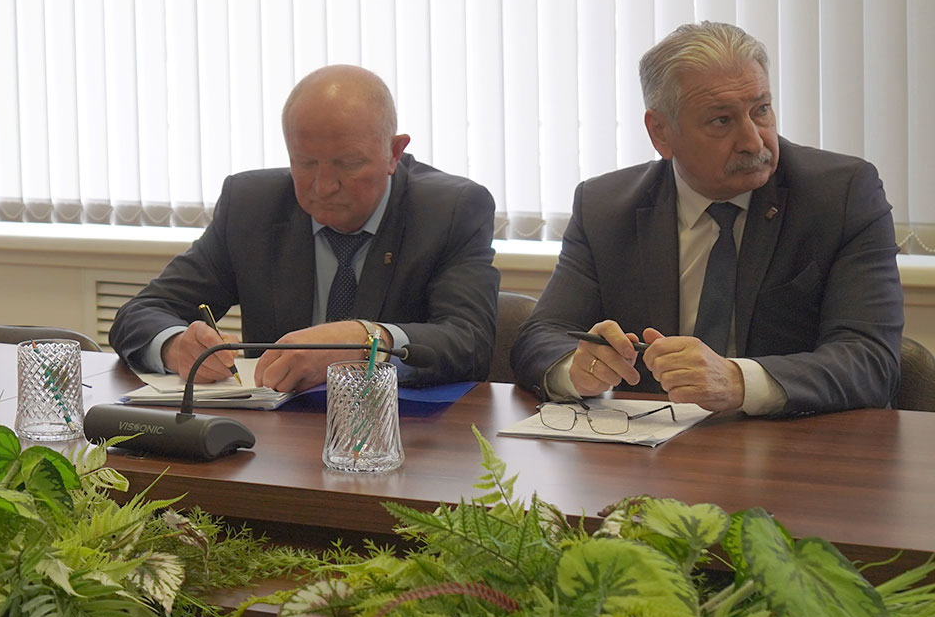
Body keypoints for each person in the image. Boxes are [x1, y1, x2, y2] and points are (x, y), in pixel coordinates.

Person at [510, 21, 903, 415]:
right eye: (722, 121)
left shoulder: (841, 195)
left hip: (799, 440)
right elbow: (540, 337)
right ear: (661, 132)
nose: (753, 141)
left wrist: (739, 381)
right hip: (654, 443)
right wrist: (577, 369)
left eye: (761, 110)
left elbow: (870, 360)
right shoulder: (605, 208)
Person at [109, 65, 499, 392]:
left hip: (404, 434)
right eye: (306, 163)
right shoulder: (252, 206)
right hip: (273, 436)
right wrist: (175, 345)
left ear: (394, 152)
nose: (324, 186)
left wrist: (368, 341)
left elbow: (471, 343)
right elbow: (142, 312)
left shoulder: (449, 210)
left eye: (348, 163)